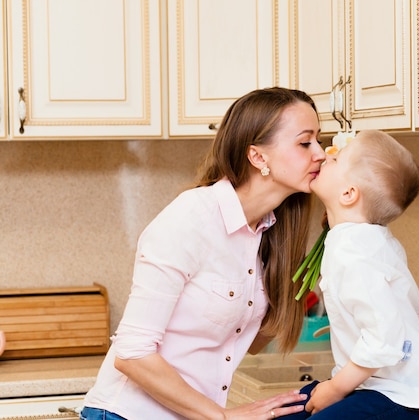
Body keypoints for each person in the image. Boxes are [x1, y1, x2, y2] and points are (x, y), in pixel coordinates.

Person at [81, 87, 326, 420]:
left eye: (319, 141)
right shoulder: (190, 220)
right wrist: (223, 417)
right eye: (305, 142)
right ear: (258, 157)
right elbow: (131, 353)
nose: (321, 154)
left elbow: (245, 340)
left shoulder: (269, 230)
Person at [285, 130, 419, 419]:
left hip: (398, 397)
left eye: (337, 160)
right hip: (378, 386)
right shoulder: (361, 239)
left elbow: (383, 339)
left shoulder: (355, 252)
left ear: (349, 194)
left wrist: (335, 389)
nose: (326, 155)